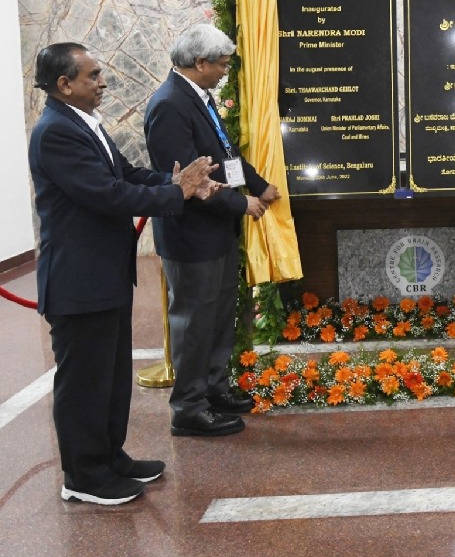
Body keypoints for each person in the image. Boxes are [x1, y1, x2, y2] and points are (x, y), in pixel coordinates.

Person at [29, 42, 219, 505]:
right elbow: (107, 195)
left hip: (103, 275)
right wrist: (179, 195)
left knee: (110, 376)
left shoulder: (82, 122)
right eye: (93, 76)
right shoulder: (55, 131)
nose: (102, 83)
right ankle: (83, 476)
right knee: (83, 383)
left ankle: (110, 456)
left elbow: (128, 173)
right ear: (64, 84)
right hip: (78, 279)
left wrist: (173, 183)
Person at [145, 25, 280, 436]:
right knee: (194, 321)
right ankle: (188, 407)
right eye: (220, 64)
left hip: (216, 232)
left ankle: (214, 390)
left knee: (220, 314)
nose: (224, 71)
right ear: (199, 63)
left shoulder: (197, 98)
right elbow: (191, 181)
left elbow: (224, 156)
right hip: (191, 236)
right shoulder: (169, 105)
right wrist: (243, 203)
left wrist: (257, 186)